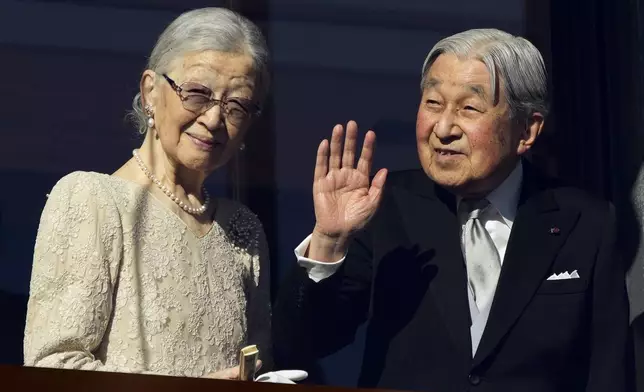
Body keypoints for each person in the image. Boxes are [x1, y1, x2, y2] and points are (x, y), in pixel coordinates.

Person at [273, 28, 629, 391]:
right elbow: (304, 343)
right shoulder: (385, 205)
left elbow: (608, 372)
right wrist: (329, 241)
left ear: (527, 130)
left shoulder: (584, 222)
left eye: (469, 108)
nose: (443, 128)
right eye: (433, 103)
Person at [23, 7, 271, 379]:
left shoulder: (243, 230)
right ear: (151, 91)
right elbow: (52, 369)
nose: (214, 119)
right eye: (197, 94)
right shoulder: (93, 201)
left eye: (236, 106)